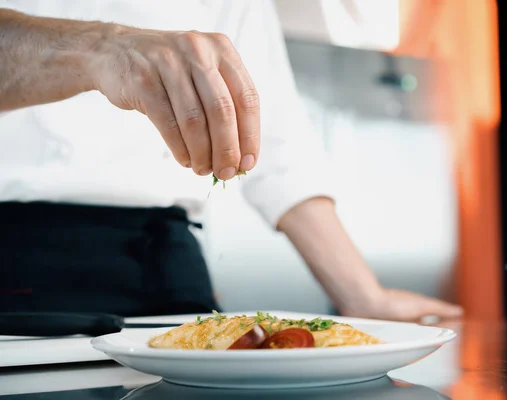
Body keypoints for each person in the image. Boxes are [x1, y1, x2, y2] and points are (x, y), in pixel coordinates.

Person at [0, 0, 462, 321]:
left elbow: (276, 142)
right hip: (20, 260)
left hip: (166, 263)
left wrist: (364, 296)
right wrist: (98, 48)